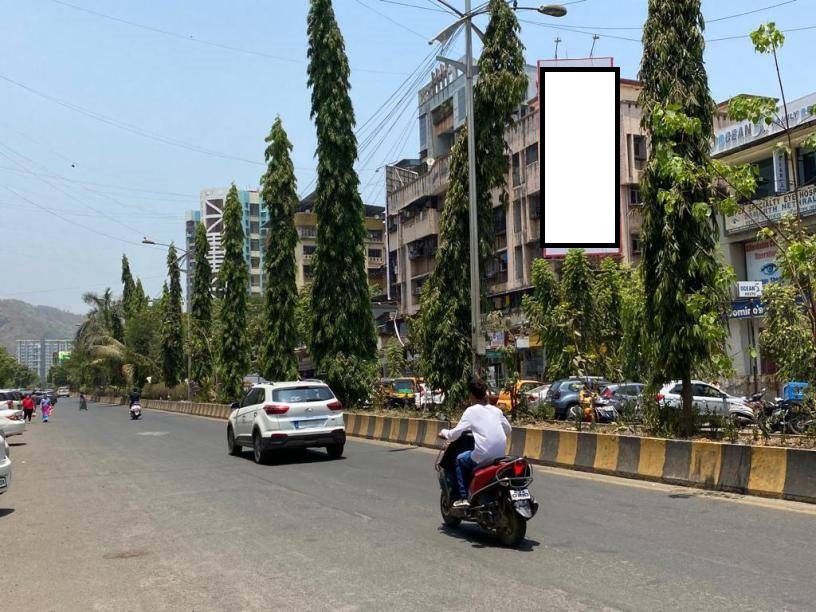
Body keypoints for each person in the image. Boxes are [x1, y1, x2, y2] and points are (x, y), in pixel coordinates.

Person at [439, 378, 512, 509]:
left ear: (471, 395)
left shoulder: (470, 411)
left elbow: (454, 434)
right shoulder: (496, 410)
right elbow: (508, 429)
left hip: (482, 455)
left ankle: (462, 498)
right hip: (499, 456)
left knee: (459, 460)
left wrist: (443, 432)